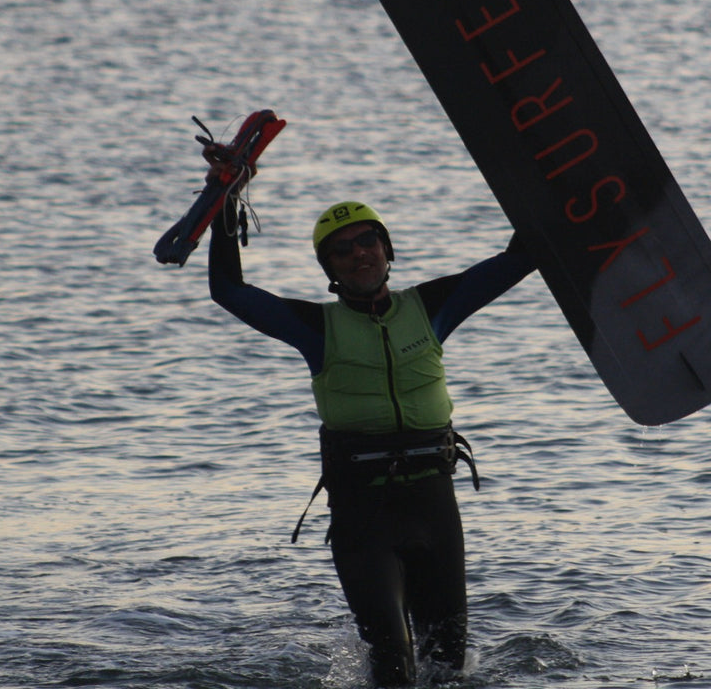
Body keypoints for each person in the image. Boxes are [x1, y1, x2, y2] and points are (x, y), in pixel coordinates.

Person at [206, 187, 535, 686]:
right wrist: (226, 201)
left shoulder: (432, 305)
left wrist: (545, 185)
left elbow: (520, 258)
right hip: (363, 513)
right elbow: (229, 291)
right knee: (392, 662)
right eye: (343, 248)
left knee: (449, 665)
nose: (360, 252)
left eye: (368, 240)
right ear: (330, 269)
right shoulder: (315, 326)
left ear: (388, 250)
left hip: (433, 502)